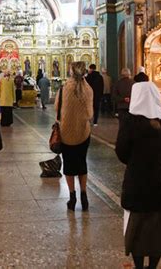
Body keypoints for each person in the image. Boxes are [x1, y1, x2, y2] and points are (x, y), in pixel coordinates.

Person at [115, 82, 161, 269]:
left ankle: (139, 266)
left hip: (136, 180)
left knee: (137, 228)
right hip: (159, 180)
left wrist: (135, 162)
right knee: (158, 229)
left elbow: (121, 151)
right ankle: (153, 266)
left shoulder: (130, 121)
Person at [56, 62, 93, 211]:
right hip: (83, 133)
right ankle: (84, 196)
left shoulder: (64, 89)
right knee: (82, 163)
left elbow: (56, 108)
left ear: (71, 72)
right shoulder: (88, 89)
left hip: (66, 133)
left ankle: (72, 196)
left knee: (69, 165)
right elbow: (90, 113)